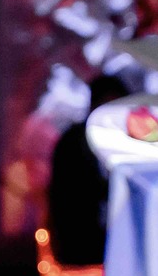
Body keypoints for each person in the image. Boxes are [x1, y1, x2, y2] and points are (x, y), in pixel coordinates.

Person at [46, 74, 129, 266]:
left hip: (123, 241)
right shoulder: (72, 144)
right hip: (83, 244)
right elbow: (67, 201)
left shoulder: (133, 142)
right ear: (93, 108)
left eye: (116, 108)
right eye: (105, 107)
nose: (111, 116)